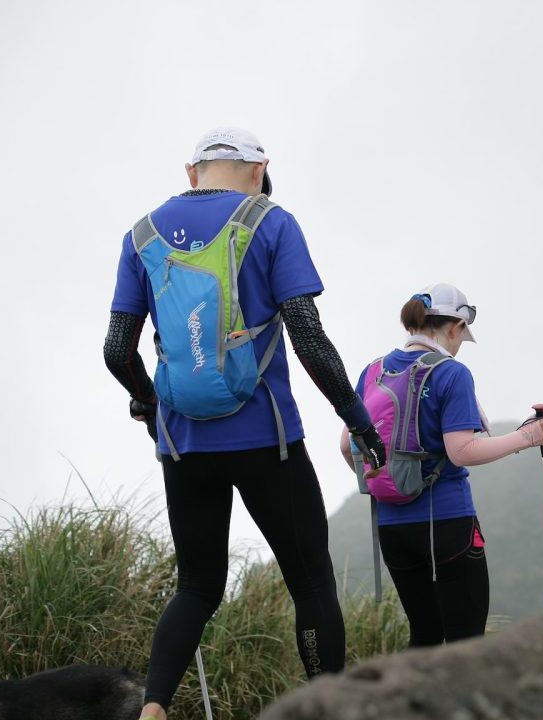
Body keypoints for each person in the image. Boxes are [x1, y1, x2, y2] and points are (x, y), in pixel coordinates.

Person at [104, 127, 385, 720]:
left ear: (192, 172)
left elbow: (116, 348)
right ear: (259, 170)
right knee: (310, 587)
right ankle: (327, 710)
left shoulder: (141, 236)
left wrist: (149, 403)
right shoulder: (272, 222)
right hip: (269, 440)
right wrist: (357, 419)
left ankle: (152, 710)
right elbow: (309, 337)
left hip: (183, 444)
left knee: (196, 589)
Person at [340, 283, 543, 647]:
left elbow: (347, 445)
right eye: (461, 335)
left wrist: (389, 481)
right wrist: (528, 438)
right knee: (465, 643)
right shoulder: (451, 373)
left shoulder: (372, 371)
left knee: (423, 635)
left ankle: (412, 705)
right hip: (447, 522)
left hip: (392, 527)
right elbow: (462, 451)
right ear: (454, 327)